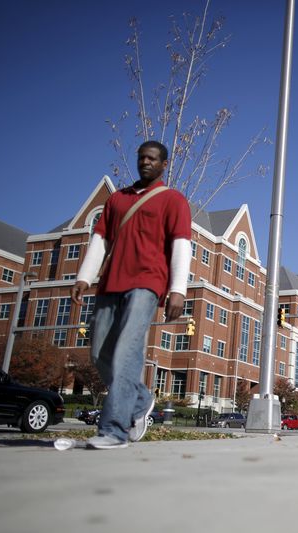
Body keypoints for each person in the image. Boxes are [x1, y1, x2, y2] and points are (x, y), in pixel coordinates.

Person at [71, 140, 191, 449]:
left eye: (152, 159)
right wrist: (84, 277)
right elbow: (100, 240)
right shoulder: (118, 200)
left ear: (164, 165)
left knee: (127, 351)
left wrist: (178, 289)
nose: (146, 163)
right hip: (110, 283)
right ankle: (139, 401)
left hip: (147, 283)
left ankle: (114, 430)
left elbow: (181, 245)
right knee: (99, 353)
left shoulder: (173, 200)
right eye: (142, 158)